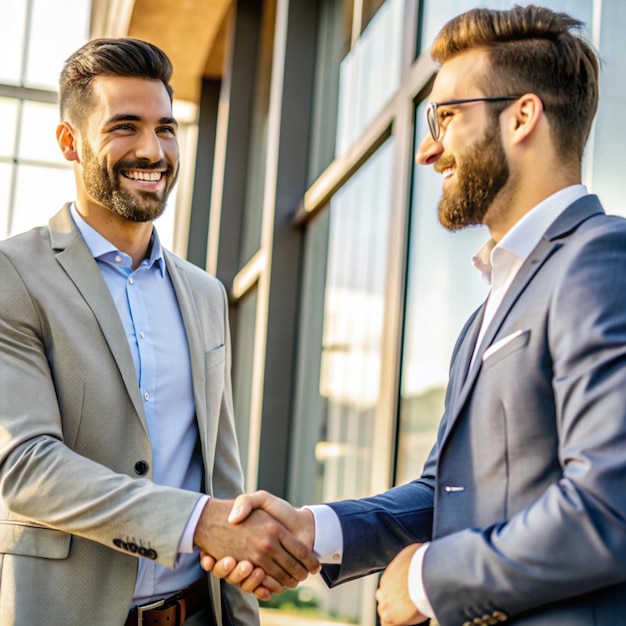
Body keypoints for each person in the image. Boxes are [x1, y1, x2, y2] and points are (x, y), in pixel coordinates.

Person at [200, 5, 626, 625]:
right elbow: (447, 495)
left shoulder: (600, 260)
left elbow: (610, 504)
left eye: (447, 116)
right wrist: (313, 530)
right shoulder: (487, 310)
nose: (428, 149)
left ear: (523, 116)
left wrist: (428, 581)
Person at [0, 37, 318, 625]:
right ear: (70, 143)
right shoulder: (13, 276)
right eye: (125, 126)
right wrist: (197, 522)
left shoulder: (205, 294)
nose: (153, 150)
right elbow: (25, 467)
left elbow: (223, 472)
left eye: (166, 128)